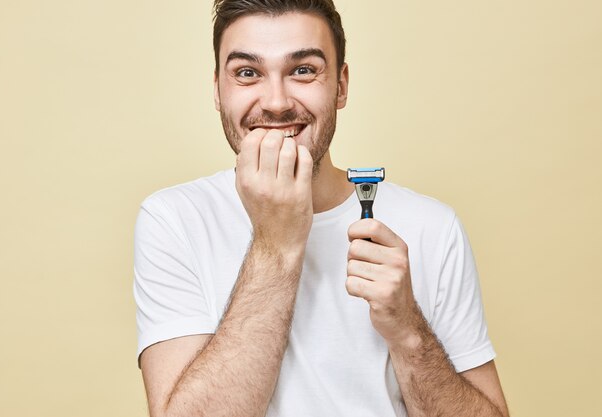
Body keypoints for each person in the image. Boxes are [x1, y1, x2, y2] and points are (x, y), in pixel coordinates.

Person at [133, 1, 509, 416]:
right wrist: (276, 244)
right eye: (247, 73)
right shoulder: (174, 220)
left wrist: (407, 331)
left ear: (341, 86)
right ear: (218, 92)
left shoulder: (432, 226)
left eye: (303, 70)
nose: (276, 103)